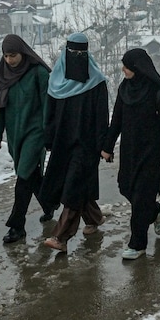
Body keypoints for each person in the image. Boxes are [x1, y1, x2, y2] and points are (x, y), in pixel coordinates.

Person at [101, 48, 160, 260]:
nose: (123, 69)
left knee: (140, 197)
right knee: (125, 187)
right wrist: (107, 147)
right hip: (129, 150)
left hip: (152, 152)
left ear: (137, 68)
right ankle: (155, 211)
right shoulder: (124, 89)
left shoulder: (158, 93)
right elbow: (116, 119)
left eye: (126, 66)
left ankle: (138, 244)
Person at [38, 32, 110, 254]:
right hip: (62, 142)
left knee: (73, 188)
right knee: (75, 184)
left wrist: (104, 146)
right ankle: (94, 218)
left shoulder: (96, 82)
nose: (77, 56)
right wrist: (49, 139)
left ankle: (61, 236)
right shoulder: (56, 81)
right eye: (73, 52)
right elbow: (49, 114)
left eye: (82, 52)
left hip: (86, 144)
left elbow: (101, 116)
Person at [0, 34, 56, 244]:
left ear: (23, 52)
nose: (10, 60)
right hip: (15, 133)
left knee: (23, 177)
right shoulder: (3, 75)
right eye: (6, 56)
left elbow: (49, 105)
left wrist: (49, 134)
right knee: (32, 174)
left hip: (35, 131)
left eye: (13, 55)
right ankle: (49, 204)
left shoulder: (38, 73)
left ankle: (17, 226)